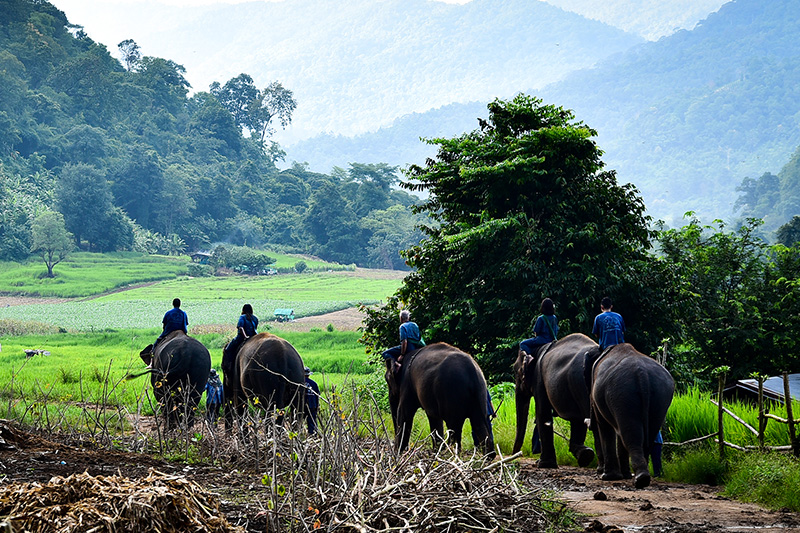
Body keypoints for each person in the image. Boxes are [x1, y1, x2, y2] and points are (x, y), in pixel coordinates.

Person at [382, 310, 425, 374]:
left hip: (409, 347)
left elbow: (404, 342)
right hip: (417, 346)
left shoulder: (402, 326)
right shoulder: (415, 324)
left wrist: (402, 354)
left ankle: (396, 364)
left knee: (385, 353)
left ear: (401, 318)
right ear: (408, 317)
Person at [222, 304, 259, 372]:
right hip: (253, 337)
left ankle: (229, 364)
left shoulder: (242, 317)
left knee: (228, 349)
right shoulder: (255, 318)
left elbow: (241, 327)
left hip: (241, 337)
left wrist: (245, 336)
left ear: (243, 310)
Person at [304, 366, 320, 434]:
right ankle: (313, 435)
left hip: (302, 405)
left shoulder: (299, 383)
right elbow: (317, 396)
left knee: (298, 420)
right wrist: (317, 405)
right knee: (312, 421)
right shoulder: (314, 384)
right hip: (312, 405)